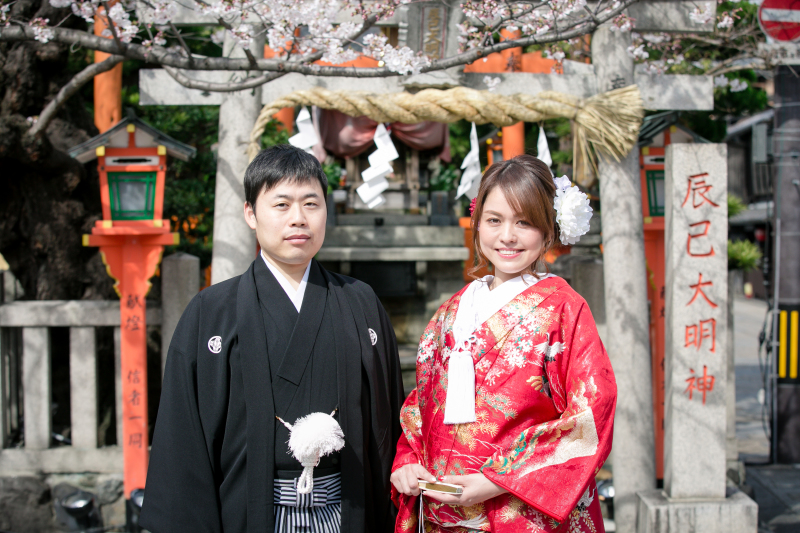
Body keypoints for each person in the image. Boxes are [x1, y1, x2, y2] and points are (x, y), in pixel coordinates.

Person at [140, 144, 405, 533]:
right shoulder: (211, 312)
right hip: (249, 512)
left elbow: (390, 422)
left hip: (348, 508)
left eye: (311, 204)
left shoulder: (360, 301)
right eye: (281, 205)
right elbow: (184, 439)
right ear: (251, 213)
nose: (298, 219)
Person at [390, 155, 617, 533]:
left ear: (548, 232)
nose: (507, 236)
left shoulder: (563, 308)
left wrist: (495, 480)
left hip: (520, 511)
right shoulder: (451, 311)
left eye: (524, 222)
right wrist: (407, 462)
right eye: (494, 220)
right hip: (442, 508)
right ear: (477, 224)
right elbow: (421, 405)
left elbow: (591, 414)